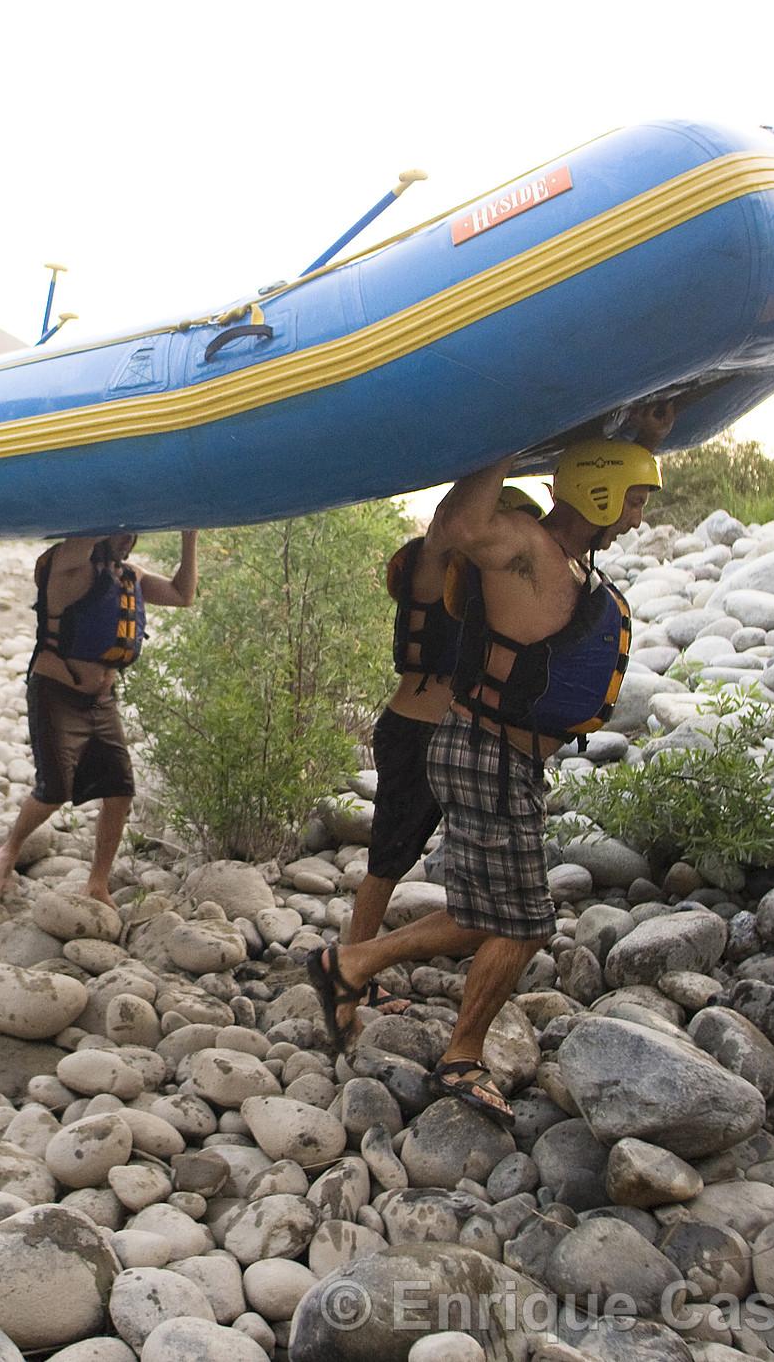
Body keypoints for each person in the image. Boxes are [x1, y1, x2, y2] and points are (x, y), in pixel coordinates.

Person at [308, 405, 675, 1124]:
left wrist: (645, 442)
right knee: (526, 920)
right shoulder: (520, 544)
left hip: (507, 758)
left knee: (489, 915)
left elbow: (598, 478)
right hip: (484, 752)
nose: (637, 517)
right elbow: (460, 526)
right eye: (631, 500)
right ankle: (460, 1056)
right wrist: (514, 408)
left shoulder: (568, 555)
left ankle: (350, 965)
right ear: (599, 496)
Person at [346, 485, 545, 1017]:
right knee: (390, 858)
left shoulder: (493, 587)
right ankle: (350, 972)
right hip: (414, 730)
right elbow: (444, 528)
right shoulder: (437, 566)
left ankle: (480, 956)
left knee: (475, 867)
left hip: (456, 737)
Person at [0, 530, 199, 904]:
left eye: (132, 534)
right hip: (56, 694)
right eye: (120, 532)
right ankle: (10, 847)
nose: (127, 540)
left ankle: (97, 883)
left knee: (119, 791)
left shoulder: (129, 574)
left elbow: (182, 595)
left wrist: (190, 535)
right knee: (54, 791)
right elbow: (86, 528)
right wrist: (110, 506)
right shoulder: (67, 566)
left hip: (101, 701)